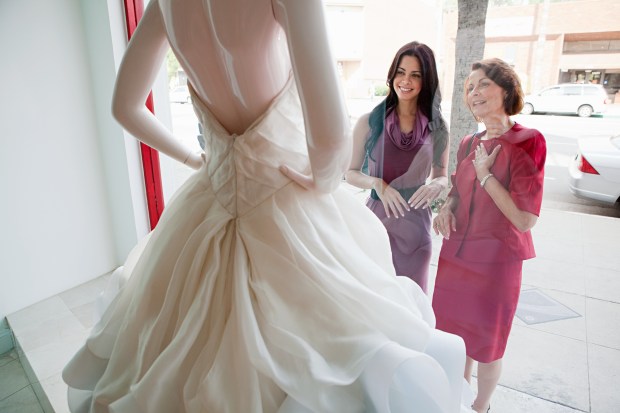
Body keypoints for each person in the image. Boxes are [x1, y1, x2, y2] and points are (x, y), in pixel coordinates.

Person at [62, 1, 471, 412]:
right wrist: (323, 180)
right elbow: (330, 140)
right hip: (286, 201)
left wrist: (195, 160)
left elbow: (125, 107)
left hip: (209, 196)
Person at [432, 58, 546, 413]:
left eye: (482, 84)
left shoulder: (529, 141)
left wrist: (486, 176)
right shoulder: (468, 141)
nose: (474, 92)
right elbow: (455, 190)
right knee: (453, 341)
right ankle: (457, 402)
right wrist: (446, 208)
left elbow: (524, 219)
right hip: (456, 259)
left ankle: (480, 407)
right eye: (469, 87)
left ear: (507, 91)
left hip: (497, 263)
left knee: (487, 344)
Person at [345, 41, 449, 293]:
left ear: (427, 81)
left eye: (415, 75)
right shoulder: (368, 122)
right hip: (374, 224)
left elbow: (442, 176)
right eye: (401, 72)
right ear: (392, 74)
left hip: (415, 227)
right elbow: (350, 173)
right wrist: (376, 183)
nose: (406, 80)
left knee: (412, 302)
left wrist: (437, 183)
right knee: (374, 298)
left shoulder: (438, 127)